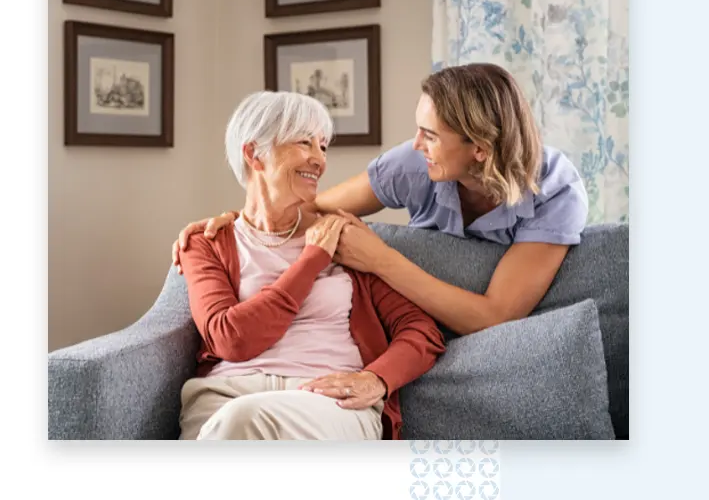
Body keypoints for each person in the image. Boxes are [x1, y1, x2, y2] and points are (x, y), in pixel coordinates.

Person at [173, 63, 589, 337]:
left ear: (479, 148)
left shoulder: (555, 190)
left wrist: (379, 258)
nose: (415, 143)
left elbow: (496, 317)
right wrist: (239, 220)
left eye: (430, 135)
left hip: (488, 338)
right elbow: (310, 211)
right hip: (412, 325)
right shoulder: (412, 164)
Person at [176, 90, 445, 441]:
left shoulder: (344, 237)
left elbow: (421, 331)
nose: (319, 159)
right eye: (305, 143)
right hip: (225, 397)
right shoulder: (206, 242)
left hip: (325, 400)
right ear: (253, 154)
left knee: (239, 426)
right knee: (233, 425)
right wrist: (312, 259)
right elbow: (231, 340)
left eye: (323, 146)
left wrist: (376, 379)